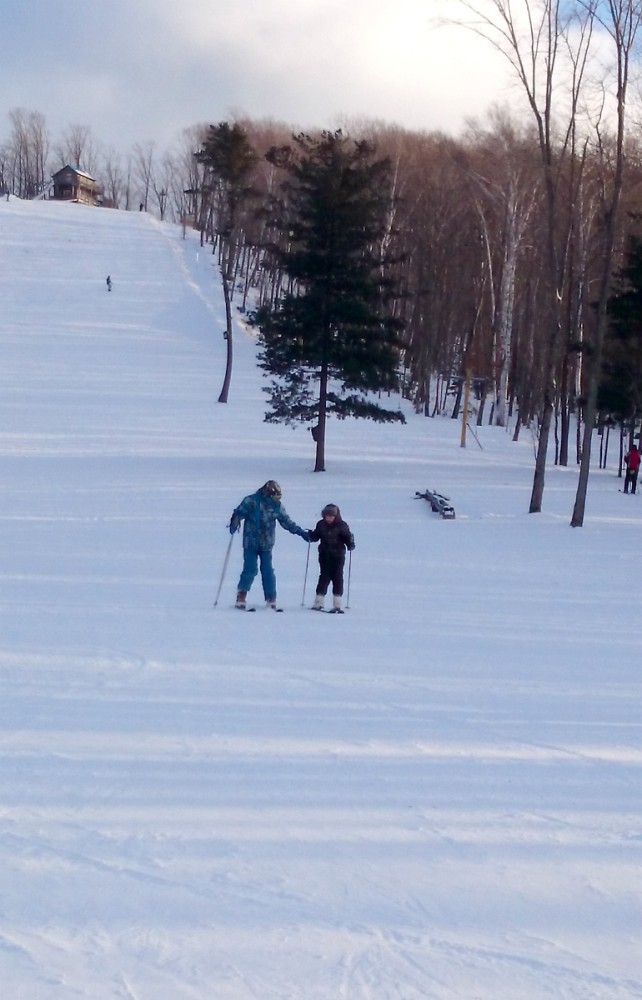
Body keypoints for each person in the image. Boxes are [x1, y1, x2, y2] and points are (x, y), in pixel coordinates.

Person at [229, 480, 308, 609]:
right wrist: (235, 521)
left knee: (267, 571)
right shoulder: (251, 501)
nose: (277, 499)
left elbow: (286, 522)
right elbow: (239, 512)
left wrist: (301, 532)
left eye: (279, 497)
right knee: (250, 569)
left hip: (267, 544)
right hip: (251, 543)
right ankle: (241, 595)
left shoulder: (277, 506)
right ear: (267, 493)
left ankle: (271, 597)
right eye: (275, 496)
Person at [308, 503, 355, 614]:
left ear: (336, 516)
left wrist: (350, 543)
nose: (329, 518)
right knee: (324, 576)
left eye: (331, 516)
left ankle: (337, 603)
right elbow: (316, 536)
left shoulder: (342, 525)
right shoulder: (321, 524)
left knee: (337, 577)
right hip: (324, 554)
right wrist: (311, 536)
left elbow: (347, 537)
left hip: (338, 555)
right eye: (327, 516)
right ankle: (318, 602)